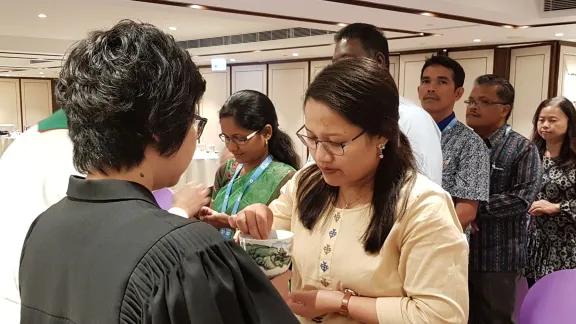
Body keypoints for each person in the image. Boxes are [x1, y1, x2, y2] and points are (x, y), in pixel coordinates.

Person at [18, 20, 297, 324]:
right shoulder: (188, 255)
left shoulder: (44, 227)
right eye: (193, 120)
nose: (195, 132)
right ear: (158, 129)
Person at [206, 57, 469, 323]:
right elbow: (266, 252)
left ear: (381, 135)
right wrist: (256, 222)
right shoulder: (305, 184)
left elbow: (441, 316)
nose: (320, 156)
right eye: (311, 138)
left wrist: (340, 302)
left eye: (336, 143)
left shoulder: (422, 206)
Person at [466, 74, 542, 324]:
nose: (473, 106)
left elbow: (521, 199)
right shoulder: (460, 144)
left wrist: (472, 208)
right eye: (471, 100)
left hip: (496, 258)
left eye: (484, 101)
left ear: (504, 110)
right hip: (457, 254)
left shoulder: (521, 148)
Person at [328, 23, 443, 185]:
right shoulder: (336, 114)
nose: (338, 71)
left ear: (378, 61)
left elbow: (426, 194)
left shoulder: (413, 119)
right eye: (335, 64)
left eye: (348, 62)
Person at [212, 90, 300, 239]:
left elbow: (280, 234)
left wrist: (229, 222)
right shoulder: (226, 170)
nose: (232, 147)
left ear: (266, 133)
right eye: (226, 138)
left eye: (240, 139)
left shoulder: (286, 178)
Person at [417, 55, 490, 233]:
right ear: (418, 89)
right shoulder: (404, 135)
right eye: (426, 81)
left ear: (458, 93)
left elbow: (465, 211)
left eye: (441, 82)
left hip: (441, 242)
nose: (431, 88)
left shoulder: (470, 143)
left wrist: (425, 238)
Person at [525, 97, 576, 287]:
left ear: (569, 122)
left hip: (568, 247)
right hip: (536, 244)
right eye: (541, 119)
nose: (545, 125)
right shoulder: (531, 154)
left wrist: (557, 207)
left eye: (553, 120)